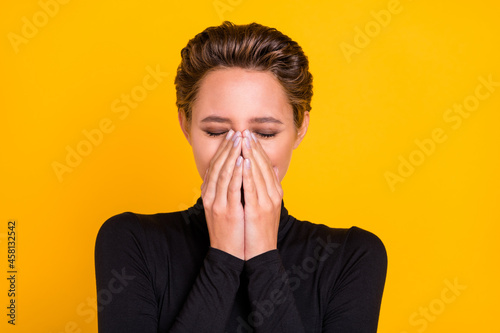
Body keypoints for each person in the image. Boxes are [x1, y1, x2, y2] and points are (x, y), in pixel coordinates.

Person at [94, 21, 387, 332]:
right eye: (217, 131)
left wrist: (263, 253)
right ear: (186, 126)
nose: (242, 153)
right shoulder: (131, 241)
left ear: (300, 129)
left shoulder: (352, 257)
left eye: (265, 132)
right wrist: (224, 257)